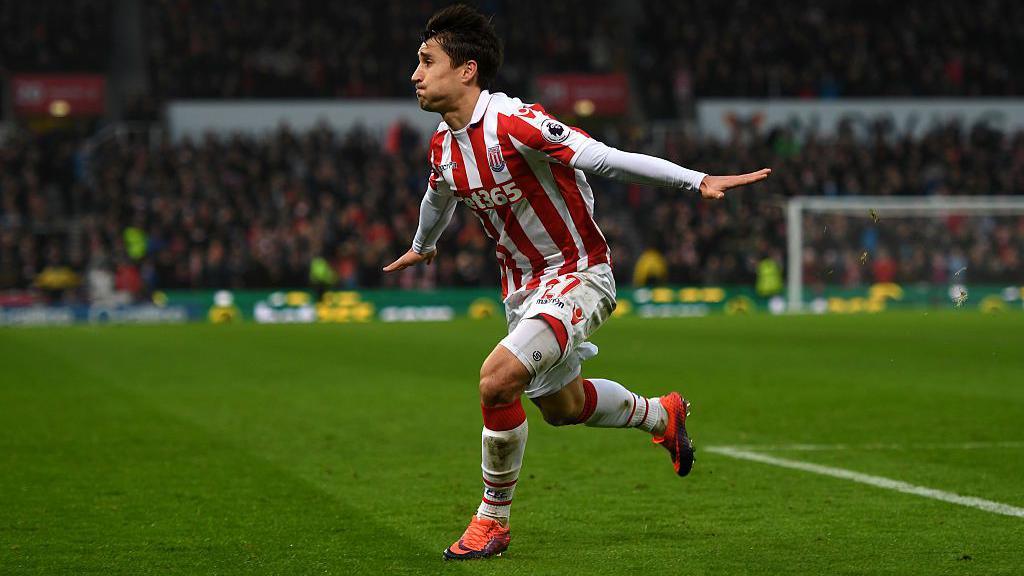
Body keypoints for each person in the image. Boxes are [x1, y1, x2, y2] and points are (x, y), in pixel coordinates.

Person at [383, 5, 771, 561]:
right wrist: (423, 246)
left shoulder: (516, 123)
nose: (415, 74)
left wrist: (697, 180)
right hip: (523, 291)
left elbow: (607, 159)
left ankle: (491, 520)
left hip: (578, 274)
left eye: (427, 61)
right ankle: (662, 414)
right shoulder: (444, 146)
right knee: (562, 407)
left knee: (496, 382)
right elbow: (437, 198)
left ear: (466, 70)